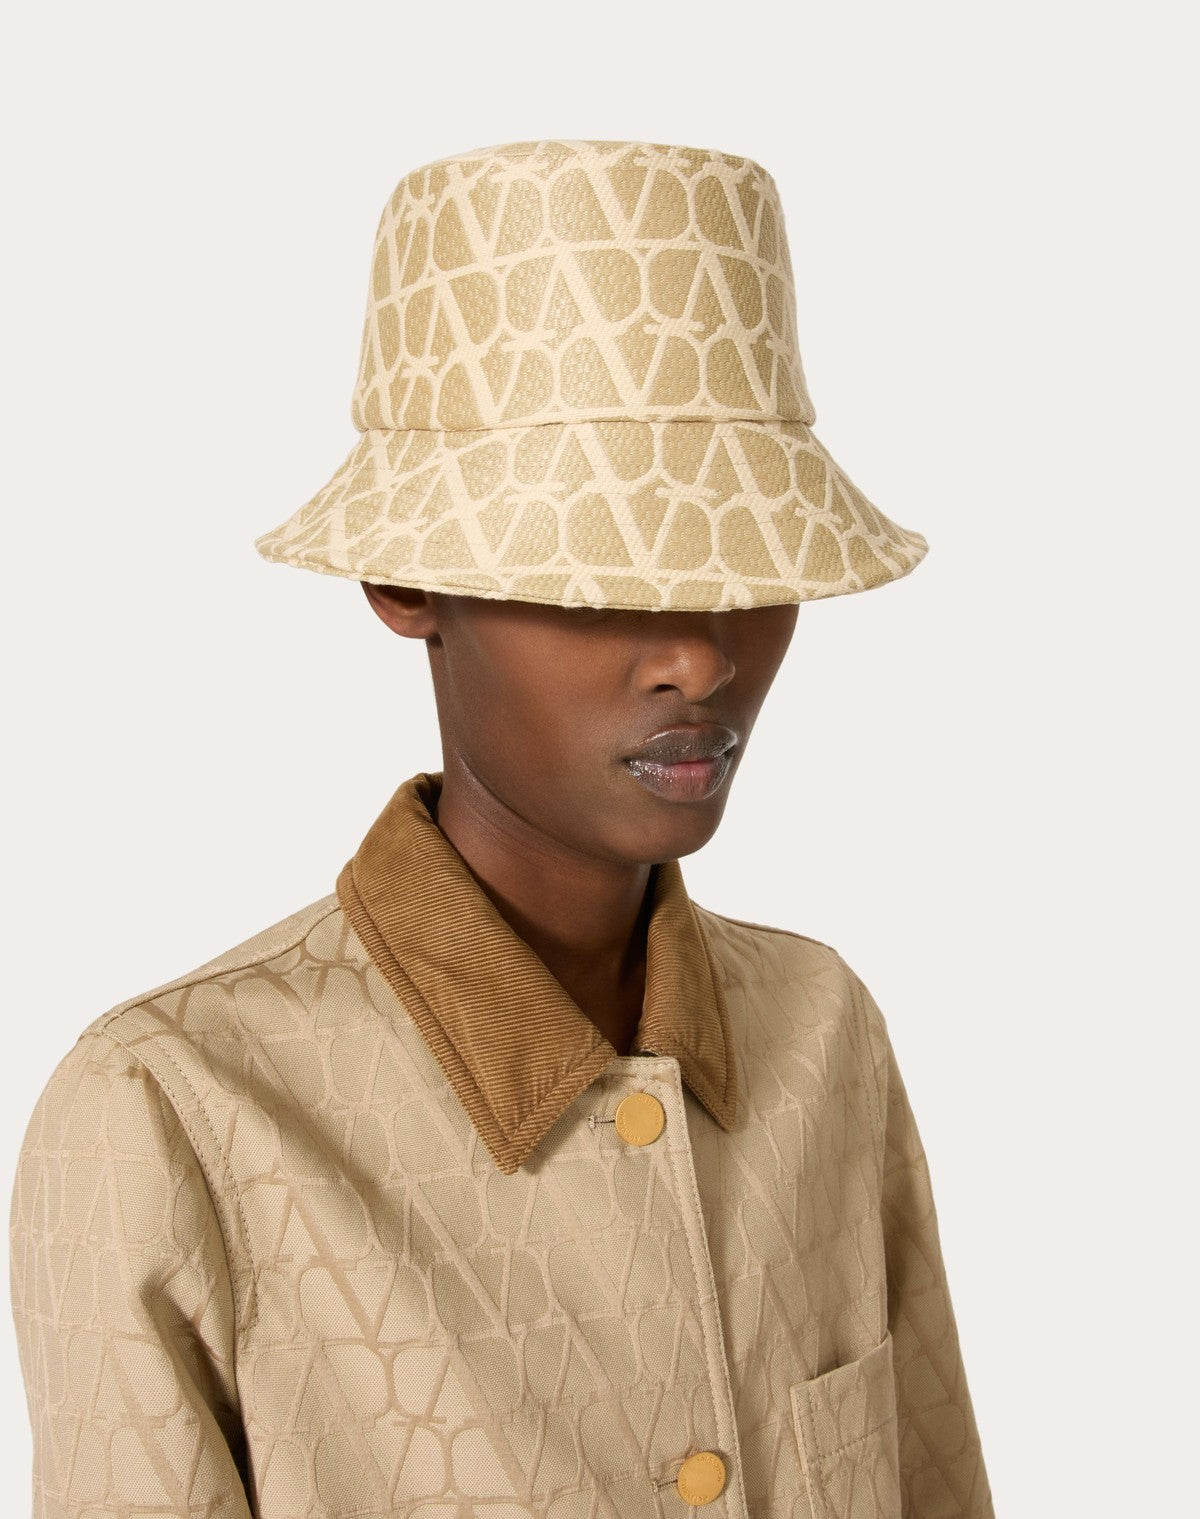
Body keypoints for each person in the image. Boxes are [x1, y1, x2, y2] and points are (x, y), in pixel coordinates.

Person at [9, 138, 994, 1518]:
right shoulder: (177, 1114)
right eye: (602, 572)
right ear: (406, 578)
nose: (700, 658)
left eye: (747, 564)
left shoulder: (822, 1034)